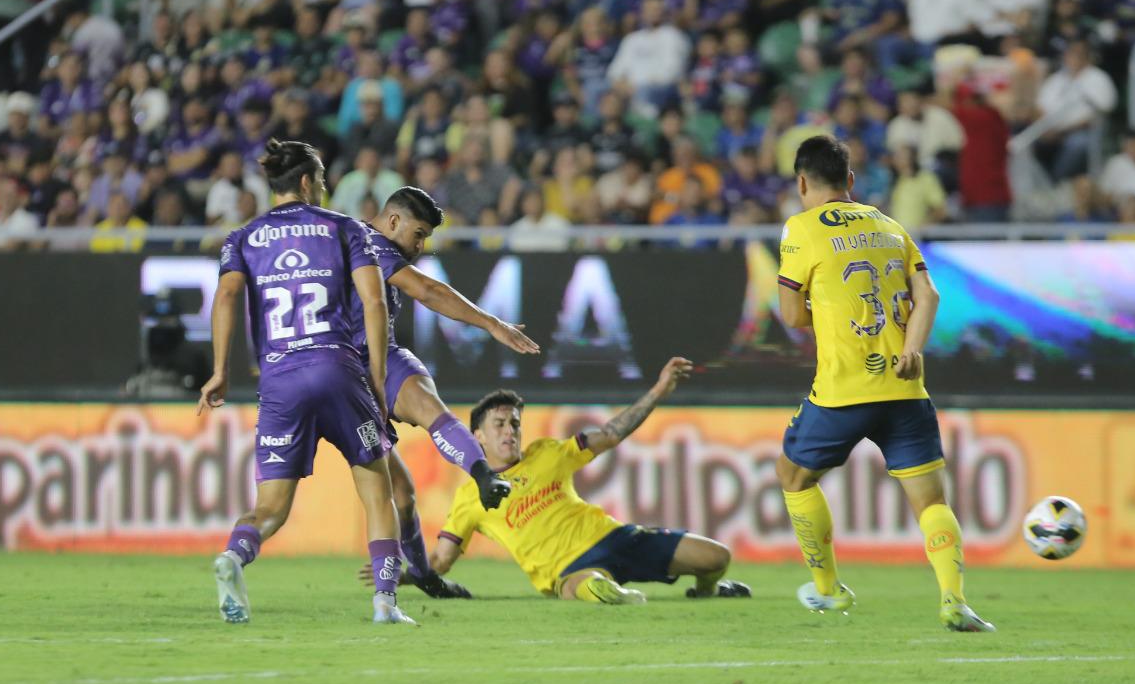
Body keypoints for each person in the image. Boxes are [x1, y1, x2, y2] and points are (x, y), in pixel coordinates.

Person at [774, 135, 993, 633]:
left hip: (843, 390)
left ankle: (828, 591)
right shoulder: (889, 224)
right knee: (932, 502)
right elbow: (929, 295)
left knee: (793, 477)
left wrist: (831, 307)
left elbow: (791, 314)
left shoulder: (801, 227)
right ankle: (954, 600)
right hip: (906, 386)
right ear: (850, 181)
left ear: (802, 182)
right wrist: (912, 349)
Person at [199, 141, 421, 625]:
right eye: (320, 182)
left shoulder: (242, 238)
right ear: (306, 183)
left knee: (270, 510)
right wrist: (379, 378)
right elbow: (374, 302)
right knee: (376, 492)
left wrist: (219, 370)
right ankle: (385, 601)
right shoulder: (345, 229)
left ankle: (235, 556)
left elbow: (226, 296)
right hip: (337, 370)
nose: (322, 190)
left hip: (279, 381)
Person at [346, 187, 536, 598]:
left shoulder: (350, 239)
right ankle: (481, 476)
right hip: (348, 369)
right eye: (418, 234)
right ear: (393, 221)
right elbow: (429, 291)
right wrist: (491, 324)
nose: (419, 246)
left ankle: (478, 484)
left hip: (372, 359)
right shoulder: (370, 243)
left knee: (405, 494)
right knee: (397, 492)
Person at [428, 361, 751, 603]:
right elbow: (442, 560)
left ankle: (706, 591)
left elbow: (610, 434)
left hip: (616, 537)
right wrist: (400, 577)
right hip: (571, 567)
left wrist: (657, 391)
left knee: (717, 557)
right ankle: (615, 593)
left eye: (514, 422)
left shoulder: (547, 453)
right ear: (478, 436)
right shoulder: (469, 497)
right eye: (499, 424)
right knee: (583, 586)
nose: (510, 431)